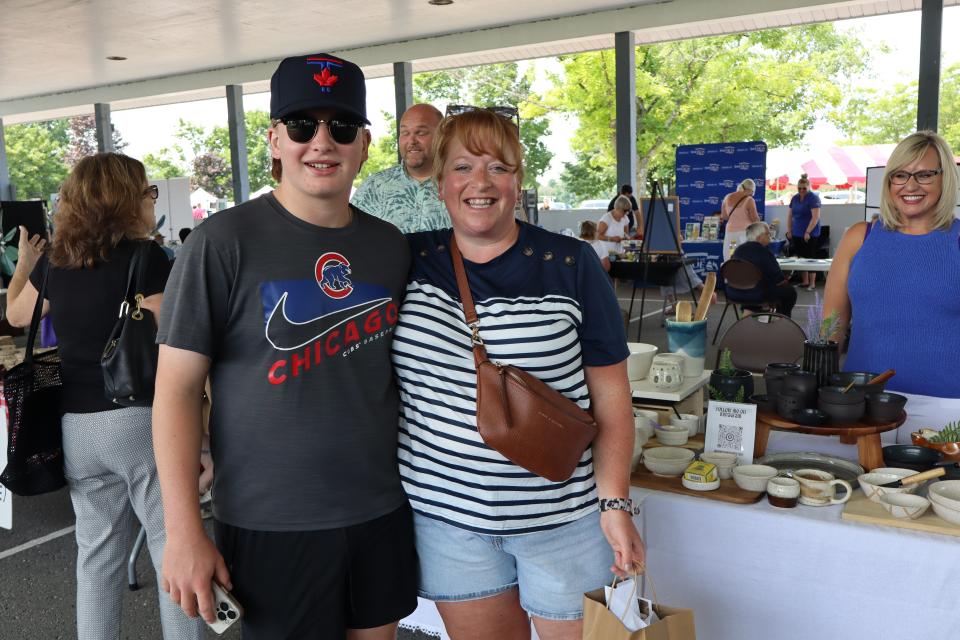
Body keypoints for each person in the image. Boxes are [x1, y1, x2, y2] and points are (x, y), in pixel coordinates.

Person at [153, 53, 418, 639]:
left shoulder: (390, 248)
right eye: (302, 126)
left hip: (380, 509)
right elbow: (174, 391)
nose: (321, 142)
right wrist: (183, 530)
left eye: (341, 127)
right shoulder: (222, 242)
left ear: (365, 144)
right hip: (272, 524)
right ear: (274, 140)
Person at [392, 108, 645, 639]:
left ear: (519, 182)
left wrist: (615, 503)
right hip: (449, 525)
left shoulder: (571, 265)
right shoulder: (408, 262)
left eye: (497, 168)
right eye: (462, 167)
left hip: (565, 523)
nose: (480, 183)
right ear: (439, 183)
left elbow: (612, 401)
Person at [5, 153, 204, 640]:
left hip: (77, 427)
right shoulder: (147, 258)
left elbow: (15, 315)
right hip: (139, 419)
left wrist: (27, 263)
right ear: (126, 199)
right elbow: (178, 340)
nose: (150, 201)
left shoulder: (57, 262)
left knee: (96, 558)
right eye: (147, 192)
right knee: (171, 549)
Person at [823, 130, 960, 398]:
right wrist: (819, 390)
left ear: (946, 178)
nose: (910, 186)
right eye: (900, 175)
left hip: (946, 409)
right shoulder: (859, 237)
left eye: (924, 175)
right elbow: (831, 327)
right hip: (862, 406)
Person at [351, 103, 448, 232]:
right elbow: (350, 237)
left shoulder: (459, 185)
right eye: (405, 133)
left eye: (421, 132)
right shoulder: (375, 186)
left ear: (442, 136)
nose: (411, 140)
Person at [731, 222, 797, 317]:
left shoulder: (738, 250)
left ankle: (748, 315)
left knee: (754, 287)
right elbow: (778, 278)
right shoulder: (763, 251)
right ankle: (781, 321)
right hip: (757, 294)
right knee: (790, 292)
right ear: (759, 237)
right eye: (767, 233)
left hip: (735, 292)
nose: (770, 236)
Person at [786, 173, 822, 290]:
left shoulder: (813, 198)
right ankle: (805, 281)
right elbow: (790, 215)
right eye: (799, 188)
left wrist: (808, 232)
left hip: (810, 233)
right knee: (801, 257)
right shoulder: (795, 198)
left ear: (808, 187)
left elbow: (815, 217)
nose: (801, 190)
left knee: (810, 257)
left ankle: (812, 283)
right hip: (797, 232)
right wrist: (789, 230)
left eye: (804, 188)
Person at [719, 178, 761, 261]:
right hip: (744, 235)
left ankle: (731, 273)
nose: (752, 195)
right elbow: (754, 220)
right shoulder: (749, 200)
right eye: (752, 193)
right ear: (751, 190)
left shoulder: (727, 198)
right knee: (745, 258)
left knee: (731, 256)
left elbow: (724, 216)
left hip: (731, 235)